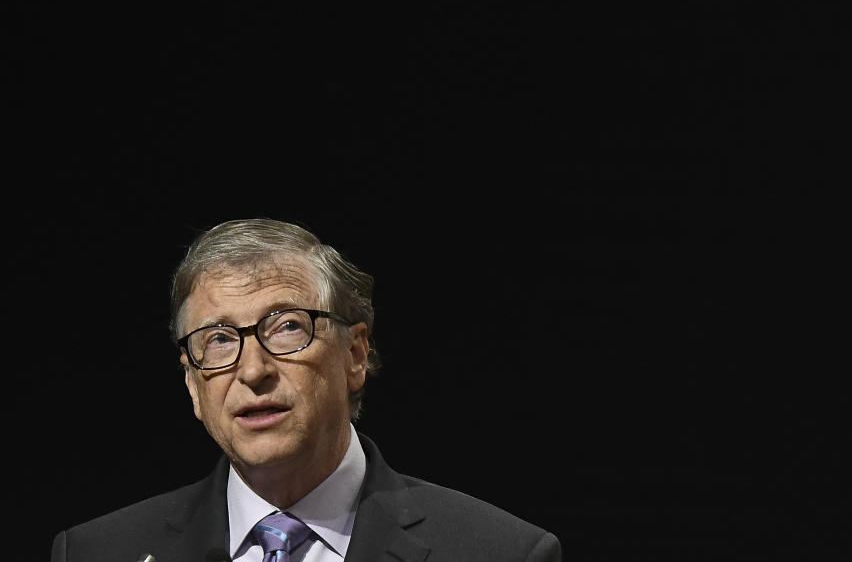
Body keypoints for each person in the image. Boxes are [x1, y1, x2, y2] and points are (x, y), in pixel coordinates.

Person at [51, 218, 562, 561]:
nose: (253, 372)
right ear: (191, 380)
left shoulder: (499, 552)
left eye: (286, 327)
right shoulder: (98, 551)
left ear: (356, 354)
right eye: (219, 339)